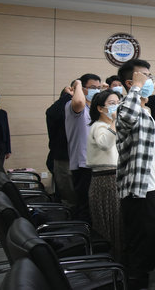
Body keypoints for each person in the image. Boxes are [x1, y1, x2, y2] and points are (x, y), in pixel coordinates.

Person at [115, 59, 155, 290]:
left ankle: (139, 279)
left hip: (150, 185)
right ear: (130, 82)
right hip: (138, 188)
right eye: (144, 76)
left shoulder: (144, 111)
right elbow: (127, 116)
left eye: (150, 76)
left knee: (148, 240)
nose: (150, 80)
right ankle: (136, 283)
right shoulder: (125, 108)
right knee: (140, 245)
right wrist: (136, 87)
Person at [86, 89, 122, 260]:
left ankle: (116, 261)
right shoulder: (99, 126)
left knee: (117, 224)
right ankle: (110, 262)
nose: (117, 107)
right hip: (105, 181)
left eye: (118, 103)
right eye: (112, 103)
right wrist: (114, 121)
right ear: (100, 108)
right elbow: (105, 143)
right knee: (110, 226)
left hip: (113, 178)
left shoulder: (110, 126)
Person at [65, 73, 101, 223]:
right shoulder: (74, 106)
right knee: (85, 206)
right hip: (83, 164)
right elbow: (79, 100)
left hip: (96, 163)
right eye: (92, 88)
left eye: (98, 88)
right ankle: (83, 233)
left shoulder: (94, 110)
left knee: (95, 206)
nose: (96, 91)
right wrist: (78, 84)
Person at [46, 86, 76, 207]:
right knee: (69, 199)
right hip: (63, 159)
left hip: (76, 160)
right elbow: (52, 112)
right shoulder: (58, 110)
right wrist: (68, 96)